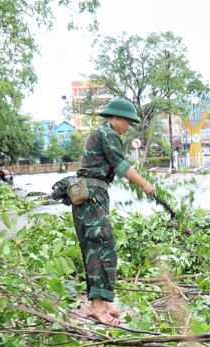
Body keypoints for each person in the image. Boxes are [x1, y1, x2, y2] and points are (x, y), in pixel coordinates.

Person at [74, 98, 154, 324]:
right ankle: (97, 305)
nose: (128, 127)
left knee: (103, 246)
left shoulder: (103, 133)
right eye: (127, 121)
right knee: (99, 246)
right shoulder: (108, 134)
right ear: (116, 117)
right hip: (91, 197)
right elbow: (121, 166)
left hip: (95, 195)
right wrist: (144, 183)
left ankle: (104, 299)